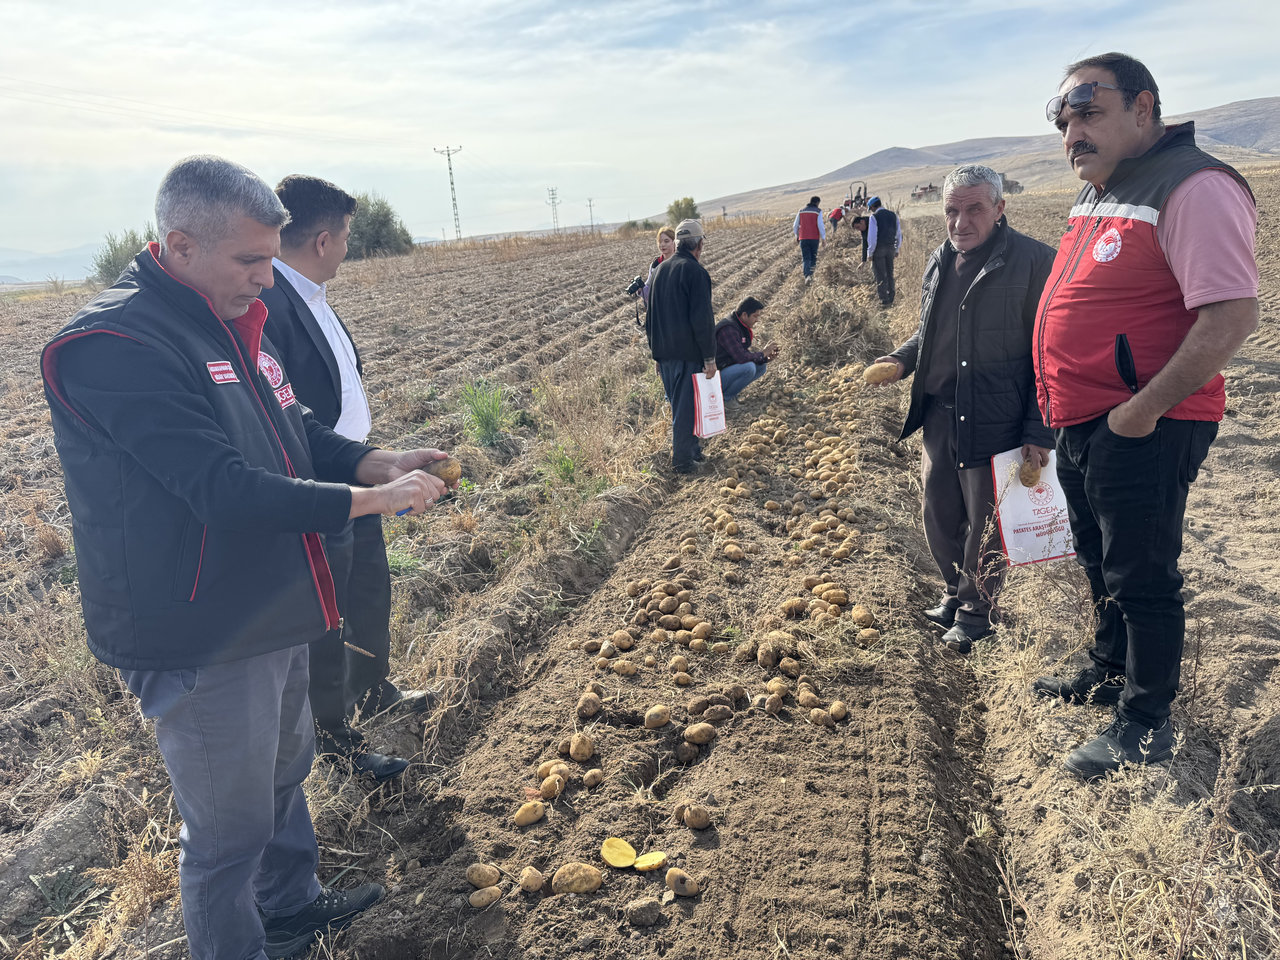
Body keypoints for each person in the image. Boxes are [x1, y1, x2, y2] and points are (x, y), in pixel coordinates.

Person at [40, 155, 454, 960]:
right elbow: (220, 487)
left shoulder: (229, 316)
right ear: (181, 244)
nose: (268, 278)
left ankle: (290, 904)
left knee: (284, 772)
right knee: (227, 833)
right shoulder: (116, 345)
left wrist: (374, 461)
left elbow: (291, 423)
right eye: (251, 259)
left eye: (270, 257)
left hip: (268, 599)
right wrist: (368, 501)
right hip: (198, 627)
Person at [1032, 53, 1258, 780]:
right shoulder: (1103, 190)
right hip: (1084, 419)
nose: (1073, 133)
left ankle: (1146, 722)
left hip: (1146, 422)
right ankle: (1109, 670)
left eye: (1089, 113)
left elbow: (1231, 315)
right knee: (1100, 558)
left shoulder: (1192, 185)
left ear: (1143, 107)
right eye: (1064, 121)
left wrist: (1139, 412)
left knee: (1142, 574)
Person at [261, 175, 431, 783]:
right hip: (322, 487)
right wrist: (360, 467)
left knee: (368, 592)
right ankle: (334, 741)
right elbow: (287, 419)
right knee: (325, 619)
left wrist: (377, 461)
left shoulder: (311, 295)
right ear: (323, 240)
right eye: (347, 236)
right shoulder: (269, 305)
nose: (349, 247)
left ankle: (372, 688)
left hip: (356, 470)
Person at [871, 165, 1054, 654]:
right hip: (940, 413)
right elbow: (930, 330)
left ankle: (977, 611)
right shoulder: (940, 259)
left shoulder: (1035, 262)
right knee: (938, 511)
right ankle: (955, 591)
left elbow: (1049, 354)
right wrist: (901, 360)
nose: (960, 222)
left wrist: (1039, 429)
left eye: (974, 209)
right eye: (951, 210)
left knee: (985, 522)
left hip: (996, 415)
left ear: (999, 208)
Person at [646, 219, 716, 474]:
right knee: (686, 409)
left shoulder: (660, 270)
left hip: (664, 353)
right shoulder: (696, 272)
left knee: (682, 407)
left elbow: (651, 316)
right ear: (699, 244)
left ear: (677, 243)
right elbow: (702, 319)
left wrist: (656, 354)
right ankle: (683, 463)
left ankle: (693, 451)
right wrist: (709, 357)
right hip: (686, 354)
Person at [714, 295, 779, 408]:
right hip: (714, 376)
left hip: (726, 369)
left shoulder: (739, 326)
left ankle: (731, 394)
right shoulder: (728, 329)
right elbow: (741, 358)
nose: (757, 320)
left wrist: (765, 358)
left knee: (761, 367)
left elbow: (743, 354)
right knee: (749, 368)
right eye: (755, 316)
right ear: (744, 315)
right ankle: (725, 399)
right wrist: (763, 353)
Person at [866, 196, 901, 305]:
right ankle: (891, 296)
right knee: (890, 273)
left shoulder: (874, 217)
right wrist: (897, 249)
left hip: (879, 249)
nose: (871, 210)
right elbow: (898, 234)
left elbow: (872, 237)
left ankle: (884, 300)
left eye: (870, 208)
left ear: (872, 206)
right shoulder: (893, 215)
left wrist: (870, 253)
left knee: (880, 274)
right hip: (891, 248)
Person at [793, 195, 825, 282]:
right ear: (817, 202)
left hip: (803, 238)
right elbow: (820, 225)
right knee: (813, 257)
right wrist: (823, 238)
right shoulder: (818, 211)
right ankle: (812, 274)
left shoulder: (801, 211)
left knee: (806, 258)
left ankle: (807, 276)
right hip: (814, 238)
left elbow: (795, 225)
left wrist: (797, 235)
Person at [640, 226, 676, 304]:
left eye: (666, 241)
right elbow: (649, 290)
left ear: (674, 242)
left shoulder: (682, 264)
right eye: (660, 241)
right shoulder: (655, 265)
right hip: (660, 308)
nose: (662, 244)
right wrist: (640, 289)